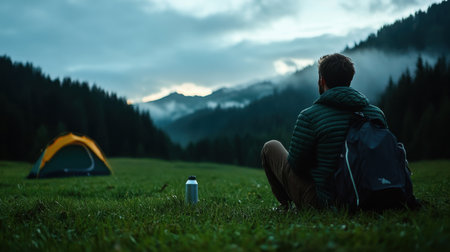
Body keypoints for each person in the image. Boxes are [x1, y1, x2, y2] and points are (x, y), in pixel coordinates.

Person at [261, 53, 387, 209]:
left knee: (270, 147)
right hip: (371, 194)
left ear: (322, 80)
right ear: (349, 80)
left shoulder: (310, 116)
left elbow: (297, 165)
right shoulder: (376, 113)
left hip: (326, 202)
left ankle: (285, 206)